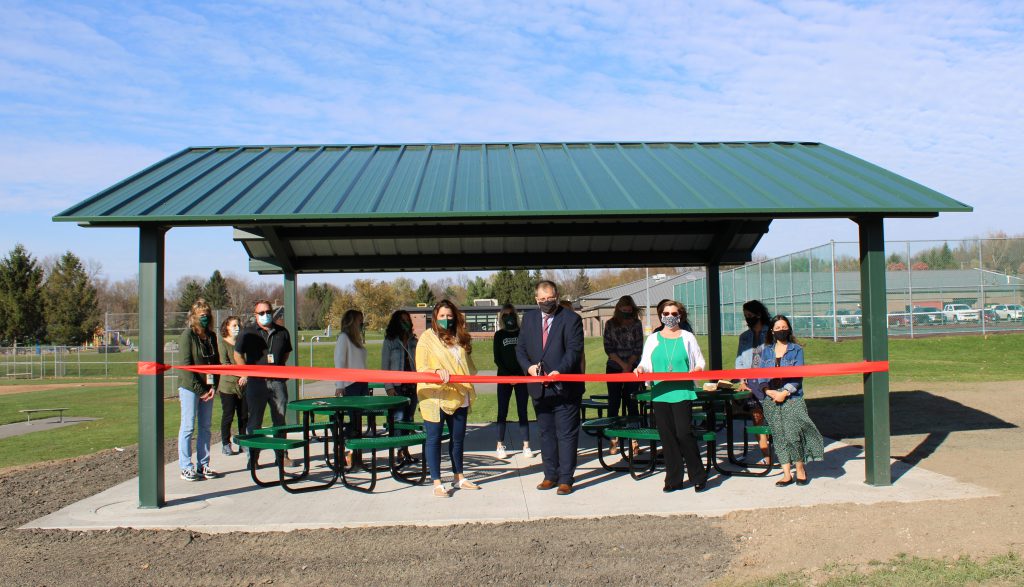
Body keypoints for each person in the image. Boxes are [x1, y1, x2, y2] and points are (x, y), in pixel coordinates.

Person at [516, 280, 585, 496]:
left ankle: (566, 479)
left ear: (557, 296)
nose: (547, 302)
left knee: (566, 434)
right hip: (539, 388)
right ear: (536, 299)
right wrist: (528, 368)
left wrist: (560, 371)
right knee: (545, 433)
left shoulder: (571, 319)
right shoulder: (529, 319)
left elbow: (574, 351)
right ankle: (550, 475)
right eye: (542, 299)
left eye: (551, 298)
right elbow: (520, 349)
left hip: (564, 387)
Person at [635, 300, 708, 493]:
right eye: (665, 313)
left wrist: (699, 369)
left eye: (673, 313)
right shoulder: (653, 338)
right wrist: (641, 369)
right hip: (660, 394)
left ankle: (698, 476)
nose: (669, 316)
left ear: (680, 315)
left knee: (684, 434)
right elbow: (646, 362)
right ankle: (674, 479)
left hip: (682, 392)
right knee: (667, 438)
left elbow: (699, 360)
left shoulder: (688, 337)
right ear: (660, 315)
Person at [416, 300, 480, 497]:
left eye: (449, 316)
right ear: (435, 317)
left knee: (458, 439)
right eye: (442, 316)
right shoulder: (427, 338)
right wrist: (436, 371)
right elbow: (421, 366)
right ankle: (436, 482)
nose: (446, 319)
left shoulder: (458, 337)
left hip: (459, 394)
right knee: (434, 439)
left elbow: (467, 366)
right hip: (435, 396)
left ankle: (458, 477)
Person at [757, 315, 824, 487]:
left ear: (789, 329)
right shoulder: (766, 351)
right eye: (777, 328)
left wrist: (785, 392)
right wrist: (768, 391)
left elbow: (797, 376)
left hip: (791, 398)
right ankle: (787, 474)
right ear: (772, 331)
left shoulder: (796, 350)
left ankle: (800, 468)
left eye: (783, 327)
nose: (781, 331)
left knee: (793, 435)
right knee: (779, 436)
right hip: (770, 397)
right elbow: (761, 376)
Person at [234, 299, 294, 467]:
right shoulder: (248, 333)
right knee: (255, 421)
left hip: (277, 383)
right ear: (256, 315)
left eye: (268, 312)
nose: (265, 315)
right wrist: (246, 371)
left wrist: (277, 368)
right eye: (261, 313)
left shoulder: (282, 332)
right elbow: (238, 354)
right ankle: (253, 458)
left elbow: (286, 353)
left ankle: (282, 455)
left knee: (280, 419)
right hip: (256, 384)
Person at [176, 299, 221, 481]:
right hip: (190, 386)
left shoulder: (211, 336)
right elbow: (186, 366)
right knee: (188, 426)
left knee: (205, 427)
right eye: (201, 315)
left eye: (207, 315)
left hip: (207, 387)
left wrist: (212, 387)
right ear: (194, 317)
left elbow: (215, 363)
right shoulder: (188, 336)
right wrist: (199, 389)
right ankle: (186, 466)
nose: (204, 318)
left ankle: (204, 464)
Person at [602, 295, 644, 456]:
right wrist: (622, 364)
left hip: (633, 368)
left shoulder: (637, 324)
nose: (626, 313)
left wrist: (629, 365)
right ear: (618, 309)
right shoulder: (610, 324)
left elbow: (639, 347)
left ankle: (634, 440)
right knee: (614, 403)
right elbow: (608, 348)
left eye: (629, 310)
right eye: (623, 310)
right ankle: (613, 440)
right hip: (614, 367)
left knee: (632, 403)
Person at [492, 304, 533, 460]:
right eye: (505, 315)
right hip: (504, 377)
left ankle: (526, 445)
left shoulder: (523, 333)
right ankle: (499, 444)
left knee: (523, 411)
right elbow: (497, 358)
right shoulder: (499, 335)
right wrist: (509, 376)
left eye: (511, 314)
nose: (508, 317)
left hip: (522, 377)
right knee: (502, 411)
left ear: (516, 316)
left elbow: (527, 354)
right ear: (501, 318)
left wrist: (520, 375)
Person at [735, 300, 773, 464]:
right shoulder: (744, 336)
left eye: (750, 315)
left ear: (759, 314)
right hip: (751, 383)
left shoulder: (771, 333)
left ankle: (783, 451)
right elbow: (740, 360)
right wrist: (742, 381)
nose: (748, 318)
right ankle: (766, 455)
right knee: (757, 418)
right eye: (746, 316)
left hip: (770, 381)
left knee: (773, 418)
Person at [382, 309, 418, 463]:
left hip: (412, 385)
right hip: (397, 386)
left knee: (409, 419)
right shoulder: (390, 341)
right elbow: (384, 366)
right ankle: (398, 451)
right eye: (402, 320)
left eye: (407, 320)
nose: (406, 323)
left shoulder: (413, 341)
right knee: (398, 419)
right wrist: (388, 387)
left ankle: (406, 450)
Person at [217, 315, 247, 456]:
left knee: (243, 416)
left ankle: (243, 443)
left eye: (238, 325)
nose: (237, 328)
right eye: (234, 325)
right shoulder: (222, 343)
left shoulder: (243, 343)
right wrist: (240, 374)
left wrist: (245, 375)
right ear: (227, 327)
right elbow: (225, 364)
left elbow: (247, 361)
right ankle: (226, 443)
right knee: (228, 415)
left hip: (243, 385)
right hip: (228, 386)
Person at [334, 309, 368, 397]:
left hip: (362, 382)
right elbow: (339, 362)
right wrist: (340, 385)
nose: (361, 323)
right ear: (352, 322)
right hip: (351, 384)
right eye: (359, 320)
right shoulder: (343, 337)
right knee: (354, 410)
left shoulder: (357, 340)